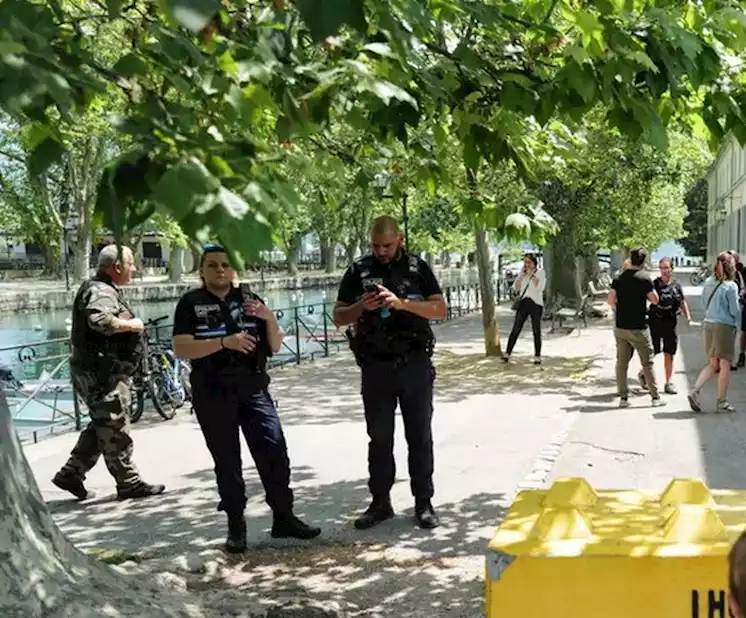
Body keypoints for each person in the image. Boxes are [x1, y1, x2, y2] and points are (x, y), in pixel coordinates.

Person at [171, 245, 320, 553]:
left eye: (226, 264)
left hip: (253, 388)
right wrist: (225, 342)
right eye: (212, 265)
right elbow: (182, 347)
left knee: (274, 449)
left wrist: (269, 319)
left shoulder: (251, 300)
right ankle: (236, 526)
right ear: (202, 270)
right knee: (228, 462)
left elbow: (276, 346)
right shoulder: (191, 303)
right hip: (213, 392)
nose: (220, 270)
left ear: (234, 269)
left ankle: (283, 517)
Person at [333, 216, 449, 530]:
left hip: (414, 363)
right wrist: (362, 306)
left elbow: (440, 310)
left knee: (420, 437)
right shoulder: (358, 270)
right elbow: (338, 316)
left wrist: (402, 304)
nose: (381, 251)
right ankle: (380, 502)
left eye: (387, 245)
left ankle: (423, 502)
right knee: (379, 438)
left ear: (398, 239)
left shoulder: (417, 267)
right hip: (376, 366)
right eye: (375, 246)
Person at [52, 245, 165, 502]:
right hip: (101, 374)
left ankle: (71, 473)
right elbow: (99, 320)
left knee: (104, 425)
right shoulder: (100, 290)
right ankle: (129, 483)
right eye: (131, 264)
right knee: (115, 427)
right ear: (117, 267)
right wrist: (132, 324)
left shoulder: (102, 287)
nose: (134, 269)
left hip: (104, 372)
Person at [608, 247, 663, 408]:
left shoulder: (618, 278)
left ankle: (623, 398)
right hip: (639, 326)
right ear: (644, 261)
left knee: (622, 362)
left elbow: (611, 300)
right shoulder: (645, 278)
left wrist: (619, 309)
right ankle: (655, 397)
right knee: (647, 362)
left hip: (621, 326)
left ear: (630, 259)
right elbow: (654, 299)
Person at [689, 252, 741, 413]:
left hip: (709, 324)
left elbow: (704, 302)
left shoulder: (709, 282)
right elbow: (734, 310)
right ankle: (721, 400)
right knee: (725, 364)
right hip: (724, 326)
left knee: (712, 363)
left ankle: (695, 389)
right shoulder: (730, 286)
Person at [642, 257, 690, 395]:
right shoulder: (654, 284)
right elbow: (645, 299)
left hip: (670, 323)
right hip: (655, 321)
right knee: (653, 351)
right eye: (661, 267)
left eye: (666, 267)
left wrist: (689, 318)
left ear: (671, 269)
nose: (663, 270)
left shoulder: (676, 285)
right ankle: (643, 373)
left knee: (669, 353)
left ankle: (669, 382)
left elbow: (682, 302)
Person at [502, 253, 544, 365]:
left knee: (536, 330)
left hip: (536, 304)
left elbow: (540, 287)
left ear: (534, 263)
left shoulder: (540, 273)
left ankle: (537, 356)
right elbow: (516, 288)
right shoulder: (522, 273)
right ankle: (507, 353)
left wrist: (532, 276)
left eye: (528, 262)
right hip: (524, 303)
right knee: (516, 328)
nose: (526, 265)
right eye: (525, 262)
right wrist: (520, 277)